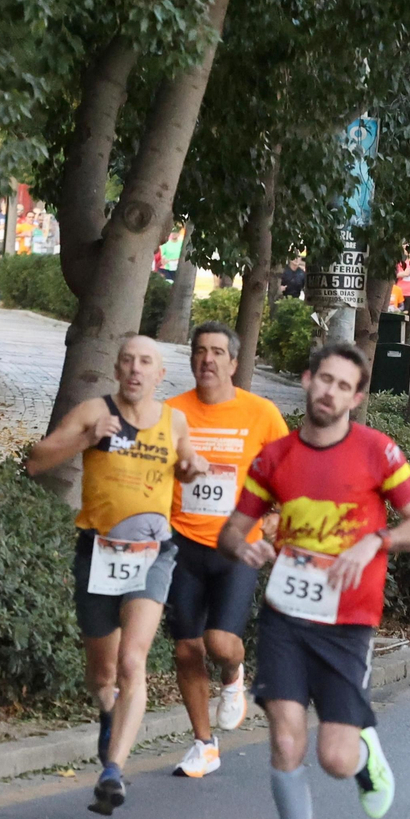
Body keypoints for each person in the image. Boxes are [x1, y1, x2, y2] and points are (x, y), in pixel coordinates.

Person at [219, 343, 410, 819]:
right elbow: (233, 529)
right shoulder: (274, 458)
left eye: (344, 386)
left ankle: (365, 756)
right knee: (285, 740)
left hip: (347, 622)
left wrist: (377, 540)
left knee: (335, 760)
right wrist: (246, 549)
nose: (330, 392)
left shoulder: (377, 452)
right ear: (307, 379)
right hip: (286, 618)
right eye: (325, 380)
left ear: (357, 397)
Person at [26, 336, 208, 815]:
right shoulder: (94, 411)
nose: (135, 369)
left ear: (159, 374)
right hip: (98, 551)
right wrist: (86, 438)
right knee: (102, 673)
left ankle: (113, 770)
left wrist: (193, 467)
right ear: (117, 369)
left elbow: (186, 468)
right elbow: (36, 460)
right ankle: (107, 711)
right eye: (127, 360)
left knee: (132, 661)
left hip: (153, 552)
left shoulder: (174, 421)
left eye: (145, 362)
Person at [164, 323, 290, 779]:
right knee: (186, 649)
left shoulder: (261, 413)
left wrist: (279, 517)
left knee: (219, 642)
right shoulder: (171, 413)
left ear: (233, 363)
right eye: (200, 351)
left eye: (218, 352)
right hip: (182, 541)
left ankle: (234, 675)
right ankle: (204, 745)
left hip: (237, 545)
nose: (208, 359)